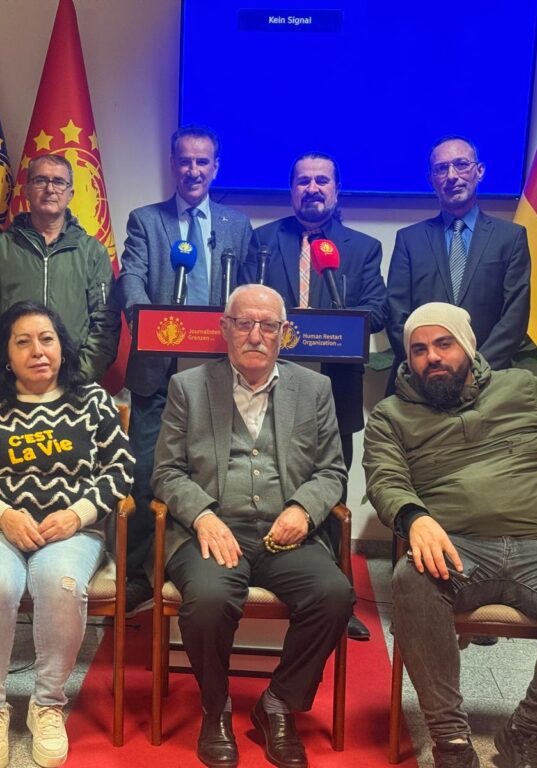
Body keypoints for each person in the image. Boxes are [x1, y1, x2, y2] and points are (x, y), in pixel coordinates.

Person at [363, 302, 537, 768]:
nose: (432, 356)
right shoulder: (391, 415)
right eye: (419, 349)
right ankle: (450, 741)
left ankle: (526, 734)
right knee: (412, 581)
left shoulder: (524, 388)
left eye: (443, 344)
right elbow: (385, 478)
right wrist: (414, 517)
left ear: (467, 345)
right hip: (454, 545)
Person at [152, 284, 353, 768]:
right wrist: (202, 515)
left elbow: (332, 471)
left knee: (334, 596)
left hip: (288, 536)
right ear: (225, 329)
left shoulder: (315, 389)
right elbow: (166, 472)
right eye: (244, 323)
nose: (256, 335)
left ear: (285, 333)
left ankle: (277, 703)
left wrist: (304, 509)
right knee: (208, 600)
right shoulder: (189, 387)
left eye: (268, 325)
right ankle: (216, 705)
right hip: (212, 532)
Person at [0, 301, 133, 768]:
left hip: (70, 531)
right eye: (22, 342)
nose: (37, 351)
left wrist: (77, 515)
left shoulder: (93, 402)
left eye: (46, 340)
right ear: (7, 356)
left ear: (62, 347)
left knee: (59, 584)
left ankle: (47, 705)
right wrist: (2, 515)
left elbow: (121, 470)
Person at [243, 152, 387, 641]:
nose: (312, 188)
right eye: (302, 181)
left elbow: (378, 310)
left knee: (332, 488)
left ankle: (337, 593)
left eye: (321, 180)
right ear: (291, 190)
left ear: (336, 190)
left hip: (335, 390)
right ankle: (272, 570)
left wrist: (332, 327)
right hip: (268, 385)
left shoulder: (363, 248)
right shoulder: (263, 240)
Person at [118, 125, 252, 611]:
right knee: (145, 472)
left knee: (215, 472)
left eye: (202, 162)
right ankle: (139, 573)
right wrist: (148, 323)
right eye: (185, 161)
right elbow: (131, 279)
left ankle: (205, 560)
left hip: (219, 373)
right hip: (158, 371)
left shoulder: (237, 225)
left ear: (215, 167)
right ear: (172, 165)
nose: (193, 170)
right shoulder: (145, 220)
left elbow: (247, 291)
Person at [386, 136, 530, 394]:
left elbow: (515, 317)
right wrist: (426, 366)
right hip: (421, 384)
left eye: (461, 164)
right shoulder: (409, 240)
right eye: (441, 169)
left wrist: (474, 372)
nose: (452, 176)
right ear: (431, 180)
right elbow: (398, 316)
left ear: (479, 171)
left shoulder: (510, 238)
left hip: (489, 383)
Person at [0, 153, 119, 382]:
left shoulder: (93, 253)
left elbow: (106, 323)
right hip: (12, 381)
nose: (50, 189)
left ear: (70, 194)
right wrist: (8, 367)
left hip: (74, 382)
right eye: (40, 180)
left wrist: (79, 374)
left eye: (59, 182)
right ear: (26, 190)